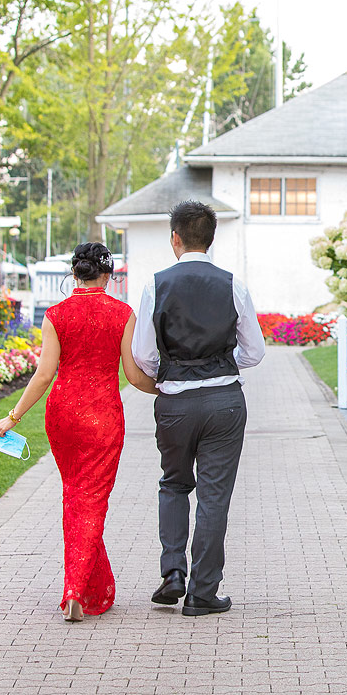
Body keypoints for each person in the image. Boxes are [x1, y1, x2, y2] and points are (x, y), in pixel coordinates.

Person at [0, 243, 157, 622]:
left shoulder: (56, 314)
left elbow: (44, 375)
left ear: (74, 274)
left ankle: (89, 584)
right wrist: (168, 389)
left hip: (62, 415)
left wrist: (11, 418)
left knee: (75, 497)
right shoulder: (122, 313)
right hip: (103, 416)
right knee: (91, 499)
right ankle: (75, 591)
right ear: (108, 275)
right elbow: (133, 375)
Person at [132, 200, 265, 617]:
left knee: (173, 484)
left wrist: (172, 375)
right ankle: (203, 593)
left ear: (175, 238)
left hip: (175, 401)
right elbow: (255, 351)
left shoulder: (156, 285)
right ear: (210, 239)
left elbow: (142, 354)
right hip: (225, 400)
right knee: (214, 496)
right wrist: (221, 366)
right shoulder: (232, 284)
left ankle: (173, 573)